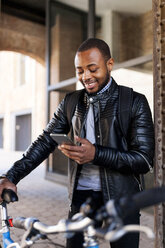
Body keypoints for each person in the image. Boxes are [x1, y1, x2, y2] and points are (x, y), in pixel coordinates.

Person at [0, 38, 154, 248]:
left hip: (122, 200)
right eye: (80, 70)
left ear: (110, 65)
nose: (86, 77)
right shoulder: (70, 102)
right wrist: (11, 177)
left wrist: (96, 154)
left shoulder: (135, 101)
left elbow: (144, 160)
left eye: (92, 69)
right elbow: (45, 141)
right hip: (82, 199)